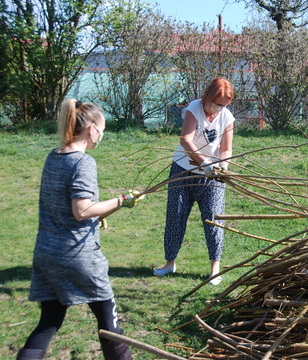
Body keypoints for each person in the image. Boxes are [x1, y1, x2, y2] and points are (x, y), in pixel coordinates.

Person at [17, 99, 144, 360]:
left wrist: (113, 208)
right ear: (91, 130)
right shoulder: (83, 163)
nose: (102, 135)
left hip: (47, 254)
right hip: (78, 256)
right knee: (109, 324)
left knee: (49, 321)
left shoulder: (54, 157)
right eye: (102, 129)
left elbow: (68, 208)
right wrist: (122, 199)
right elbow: (82, 210)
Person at [153, 77, 235, 285]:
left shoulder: (226, 117)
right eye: (217, 103)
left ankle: (214, 268)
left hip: (212, 176)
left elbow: (226, 148)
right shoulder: (194, 108)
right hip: (184, 170)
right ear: (208, 97)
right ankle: (169, 263)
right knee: (176, 214)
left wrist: (222, 165)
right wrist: (203, 162)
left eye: (224, 105)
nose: (220, 108)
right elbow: (186, 139)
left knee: (214, 218)